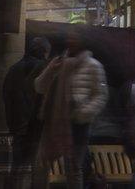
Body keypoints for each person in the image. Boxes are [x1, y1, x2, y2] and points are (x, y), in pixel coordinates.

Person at [34, 27, 108, 189]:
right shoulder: (59, 62)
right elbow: (39, 86)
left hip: (77, 126)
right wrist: (50, 69)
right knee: (42, 164)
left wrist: (82, 113)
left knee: (73, 168)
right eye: (69, 37)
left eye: (75, 38)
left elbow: (100, 96)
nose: (71, 41)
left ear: (83, 41)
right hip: (54, 122)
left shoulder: (92, 66)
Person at [3, 37, 51, 189]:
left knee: (17, 167)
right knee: (37, 169)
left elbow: (6, 97)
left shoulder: (13, 69)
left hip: (17, 125)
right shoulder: (42, 68)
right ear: (44, 52)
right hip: (35, 126)